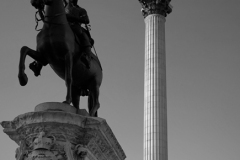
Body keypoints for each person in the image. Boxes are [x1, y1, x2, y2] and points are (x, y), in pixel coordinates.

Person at [64, 0, 94, 69]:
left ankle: (87, 57)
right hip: (63, 26)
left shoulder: (81, 10)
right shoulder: (63, 8)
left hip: (75, 27)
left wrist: (73, 18)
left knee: (83, 35)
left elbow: (86, 20)